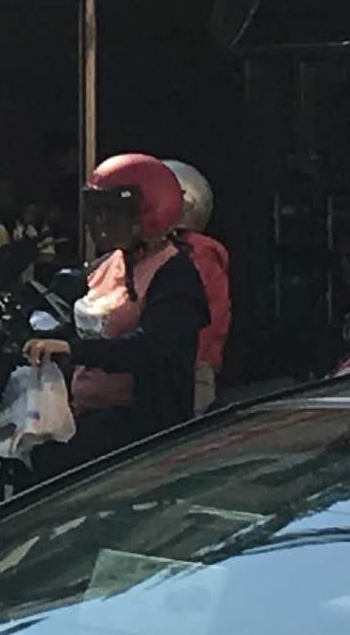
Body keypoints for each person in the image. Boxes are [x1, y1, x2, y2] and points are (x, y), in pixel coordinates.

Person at [26, 152, 213, 462]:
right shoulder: (107, 265)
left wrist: (72, 349)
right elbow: (84, 325)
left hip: (137, 429)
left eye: (114, 213)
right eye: (97, 211)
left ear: (150, 213)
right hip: (81, 413)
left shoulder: (175, 276)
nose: (102, 223)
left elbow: (151, 347)